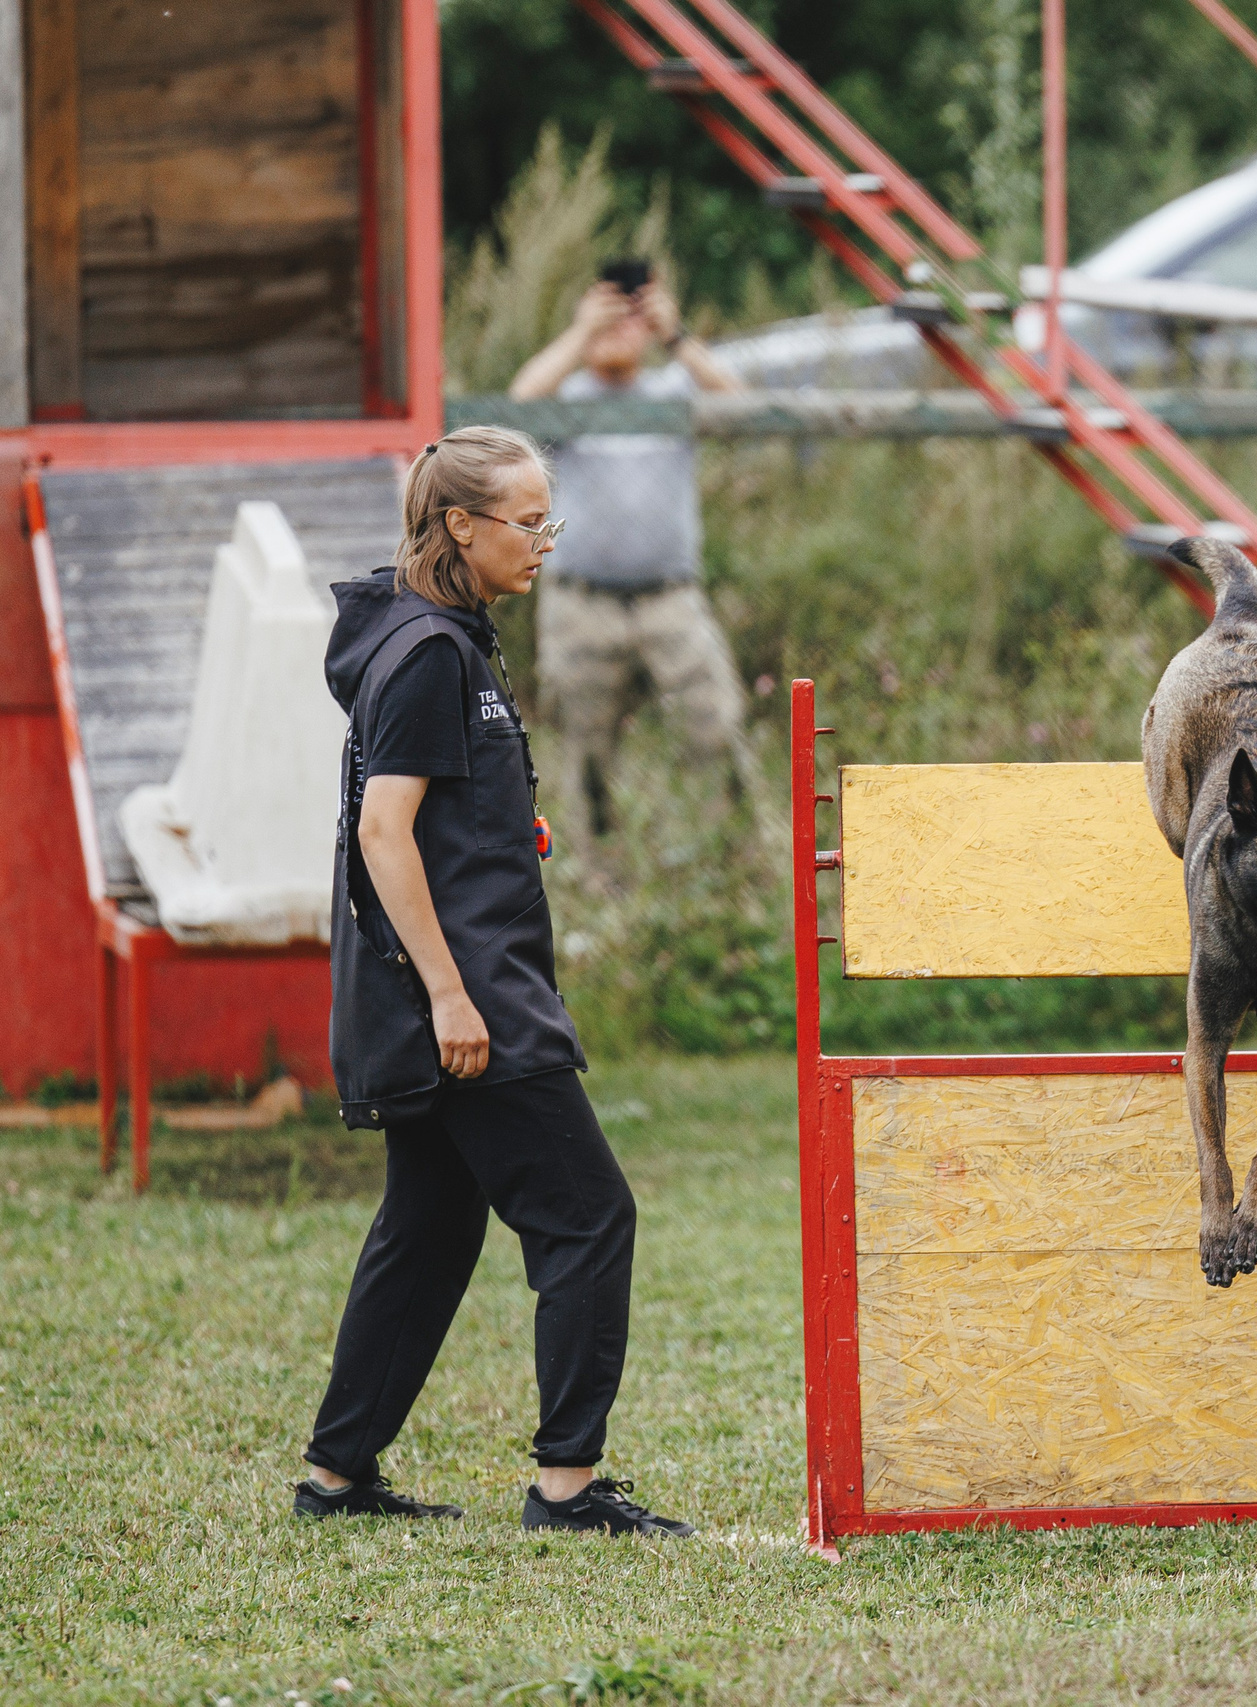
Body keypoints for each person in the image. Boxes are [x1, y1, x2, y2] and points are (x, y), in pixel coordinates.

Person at [298, 426, 692, 1536]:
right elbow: (384, 833)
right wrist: (450, 995)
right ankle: (567, 1486)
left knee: (429, 1226)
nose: (545, 543)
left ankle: (337, 1477)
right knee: (587, 1215)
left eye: (547, 521)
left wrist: (503, 827)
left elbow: (429, 811)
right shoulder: (426, 651)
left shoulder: (437, 635)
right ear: (461, 527)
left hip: (462, 977)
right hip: (468, 997)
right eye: (527, 523)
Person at [509, 261, 754, 841]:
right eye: (608, 310)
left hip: (670, 601)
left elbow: (743, 407)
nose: (620, 325)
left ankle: (736, 859)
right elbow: (518, 406)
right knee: (586, 754)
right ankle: (601, 880)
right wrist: (581, 334)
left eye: (632, 312)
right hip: (581, 604)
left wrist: (675, 336)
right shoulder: (564, 395)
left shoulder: (672, 389)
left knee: (716, 727)